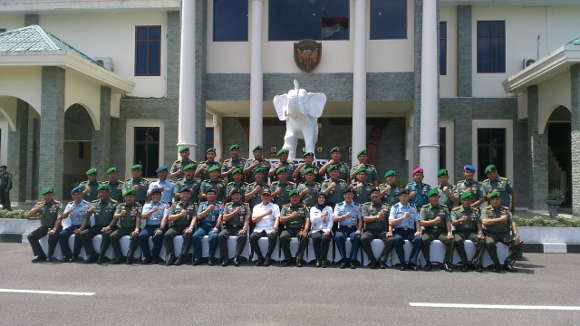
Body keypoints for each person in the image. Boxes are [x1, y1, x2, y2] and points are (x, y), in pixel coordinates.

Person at [481, 191, 522, 272]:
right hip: (490, 233)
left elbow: (512, 222)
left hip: (504, 234)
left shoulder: (506, 210)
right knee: (489, 243)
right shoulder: (485, 210)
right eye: (493, 199)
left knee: (518, 243)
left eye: (497, 199)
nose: (495, 201)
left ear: (500, 200)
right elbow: (485, 222)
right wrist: (500, 219)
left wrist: (516, 235)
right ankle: (496, 264)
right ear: (490, 200)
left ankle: (508, 263)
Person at [79, 184, 117, 264]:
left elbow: (115, 218)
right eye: (100, 192)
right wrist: (89, 211)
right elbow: (86, 216)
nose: (102, 194)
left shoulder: (114, 203)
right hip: (98, 226)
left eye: (104, 192)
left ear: (108, 193)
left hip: (110, 226)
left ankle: (101, 256)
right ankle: (91, 254)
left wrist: (108, 227)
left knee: (106, 234)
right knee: (83, 234)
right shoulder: (94, 203)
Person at [419, 189, 454, 272]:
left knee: (450, 240)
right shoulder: (425, 208)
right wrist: (433, 222)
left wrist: (449, 232)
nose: (434, 199)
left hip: (441, 231)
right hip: (429, 231)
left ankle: (446, 263)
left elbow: (448, 221)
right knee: (424, 239)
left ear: (438, 197)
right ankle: (428, 262)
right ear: (429, 198)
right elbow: (421, 222)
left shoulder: (444, 208)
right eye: (432, 197)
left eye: (436, 197)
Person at [451, 192, 485, 272]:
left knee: (482, 240)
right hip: (459, 232)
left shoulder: (475, 211)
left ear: (471, 201)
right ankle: (465, 263)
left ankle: (476, 261)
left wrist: (480, 232)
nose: (466, 201)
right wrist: (460, 220)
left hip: (471, 232)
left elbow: (478, 223)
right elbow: (453, 222)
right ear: (461, 201)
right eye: (464, 200)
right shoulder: (456, 210)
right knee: (457, 240)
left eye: (468, 200)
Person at [57, 186, 92, 262]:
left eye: (78, 194)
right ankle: (67, 255)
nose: (77, 196)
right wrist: (68, 211)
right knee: (62, 234)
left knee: (78, 235)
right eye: (75, 194)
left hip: (84, 225)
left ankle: (75, 256)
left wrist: (80, 229)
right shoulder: (70, 205)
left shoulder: (87, 205)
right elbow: (63, 216)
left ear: (82, 195)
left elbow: (88, 218)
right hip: (73, 225)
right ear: (72, 196)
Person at [360, 188, 393, 269]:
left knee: (391, 240)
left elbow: (390, 220)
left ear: (380, 195)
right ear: (370, 196)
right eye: (373, 193)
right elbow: (365, 219)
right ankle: (372, 260)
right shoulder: (366, 206)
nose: (375, 195)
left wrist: (390, 231)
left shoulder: (386, 206)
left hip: (382, 231)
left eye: (377, 193)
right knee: (364, 238)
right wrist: (377, 217)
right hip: (370, 231)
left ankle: (382, 260)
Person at [389, 190, 421, 271]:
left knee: (418, 239)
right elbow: (391, 222)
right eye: (402, 196)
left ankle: (412, 262)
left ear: (408, 197)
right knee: (397, 239)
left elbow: (417, 221)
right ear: (399, 197)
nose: (404, 198)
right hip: (399, 230)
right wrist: (403, 217)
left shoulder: (413, 207)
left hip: (410, 231)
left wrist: (418, 230)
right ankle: (402, 262)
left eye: (406, 196)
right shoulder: (395, 207)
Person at [162, 187, 196, 265]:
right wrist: (180, 215)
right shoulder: (174, 205)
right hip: (176, 226)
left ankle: (182, 256)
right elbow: (169, 218)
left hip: (187, 226)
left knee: (188, 234)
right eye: (183, 194)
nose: (185, 195)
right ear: (180, 195)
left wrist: (191, 228)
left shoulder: (193, 205)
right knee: (167, 235)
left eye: (187, 194)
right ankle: (171, 255)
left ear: (190, 195)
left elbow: (194, 218)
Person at [26, 187, 61, 262]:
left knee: (52, 236)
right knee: (31, 236)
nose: (47, 197)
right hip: (44, 227)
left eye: (49, 195)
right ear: (43, 196)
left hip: (56, 226)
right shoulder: (40, 204)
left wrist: (54, 229)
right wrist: (38, 207)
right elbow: (28, 214)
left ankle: (50, 256)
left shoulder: (58, 204)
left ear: (52, 195)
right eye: (45, 195)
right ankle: (40, 255)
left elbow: (59, 218)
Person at [217, 188, 250, 266]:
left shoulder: (246, 205)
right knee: (221, 235)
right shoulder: (227, 205)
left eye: (238, 195)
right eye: (234, 195)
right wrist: (235, 212)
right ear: (231, 197)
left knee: (242, 236)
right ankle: (225, 258)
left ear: (241, 196)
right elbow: (224, 218)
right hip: (229, 227)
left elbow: (247, 219)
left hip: (240, 227)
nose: (236, 196)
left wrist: (244, 228)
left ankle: (236, 257)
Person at [110, 189, 142, 264]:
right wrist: (120, 214)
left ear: (134, 198)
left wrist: (136, 229)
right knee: (112, 236)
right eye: (127, 197)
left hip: (133, 227)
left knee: (135, 236)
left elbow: (138, 217)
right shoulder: (120, 205)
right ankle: (119, 256)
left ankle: (129, 256)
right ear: (124, 198)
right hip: (122, 228)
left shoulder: (138, 205)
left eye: (131, 197)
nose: (129, 198)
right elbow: (115, 216)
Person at [333, 187, 362, 269]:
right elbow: (334, 219)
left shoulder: (357, 205)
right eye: (346, 195)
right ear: (343, 196)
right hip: (342, 228)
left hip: (353, 228)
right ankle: (344, 259)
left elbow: (360, 219)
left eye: (350, 194)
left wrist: (359, 230)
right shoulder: (338, 205)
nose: (348, 196)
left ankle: (353, 260)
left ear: (353, 195)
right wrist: (344, 216)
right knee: (338, 236)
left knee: (357, 236)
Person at [279, 189, 309, 267]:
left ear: (299, 198)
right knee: (282, 237)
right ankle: (288, 259)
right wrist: (291, 216)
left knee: (304, 237)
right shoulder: (285, 207)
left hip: (300, 229)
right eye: (293, 197)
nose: (294, 198)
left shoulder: (304, 207)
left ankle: (298, 259)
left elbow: (307, 220)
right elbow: (281, 220)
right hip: (288, 229)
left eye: (296, 196)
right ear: (290, 198)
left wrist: (305, 230)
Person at [249, 188, 280, 266]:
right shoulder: (256, 207)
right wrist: (266, 214)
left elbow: (277, 218)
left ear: (270, 196)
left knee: (273, 237)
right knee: (252, 237)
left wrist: (275, 228)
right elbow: (254, 220)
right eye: (264, 195)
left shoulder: (275, 206)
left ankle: (267, 257)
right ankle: (260, 257)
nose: (266, 197)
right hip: (259, 228)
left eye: (268, 195)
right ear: (261, 197)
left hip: (270, 228)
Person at [192, 188, 221, 265]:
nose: (210, 196)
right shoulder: (202, 204)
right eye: (209, 194)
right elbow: (198, 217)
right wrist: (207, 210)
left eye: (212, 194)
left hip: (213, 226)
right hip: (203, 226)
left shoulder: (220, 204)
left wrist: (217, 227)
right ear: (206, 196)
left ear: (215, 196)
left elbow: (220, 217)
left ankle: (211, 258)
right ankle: (198, 257)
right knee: (195, 236)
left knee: (213, 237)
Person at [139, 187, 166, 264]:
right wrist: (152, 210)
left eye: (158, 195)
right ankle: (147, 257)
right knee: (142, 236)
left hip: (159, 225)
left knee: (158, 236)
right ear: (151, 196)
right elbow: (143, 216)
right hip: (148, 226)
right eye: (154, 195)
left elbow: (165, 218)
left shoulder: (165, 205)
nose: (156, 196)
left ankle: (155, 256)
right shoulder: (146, 205)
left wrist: (161, 229)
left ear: (160, 196)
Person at [308, 193, 333, 267]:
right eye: (319, 197)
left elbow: (331, 220)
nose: (321, 199)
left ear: (325, 199)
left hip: (326, 229)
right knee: (316, 238)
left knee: (325, 238)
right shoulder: (313, 208)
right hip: (316, 229)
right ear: (317, 199)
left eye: (323, 198)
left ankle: (324, 259)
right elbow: (313, 220)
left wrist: (328, 230)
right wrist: (322, 215)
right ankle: (318, 259)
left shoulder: (329, 208)